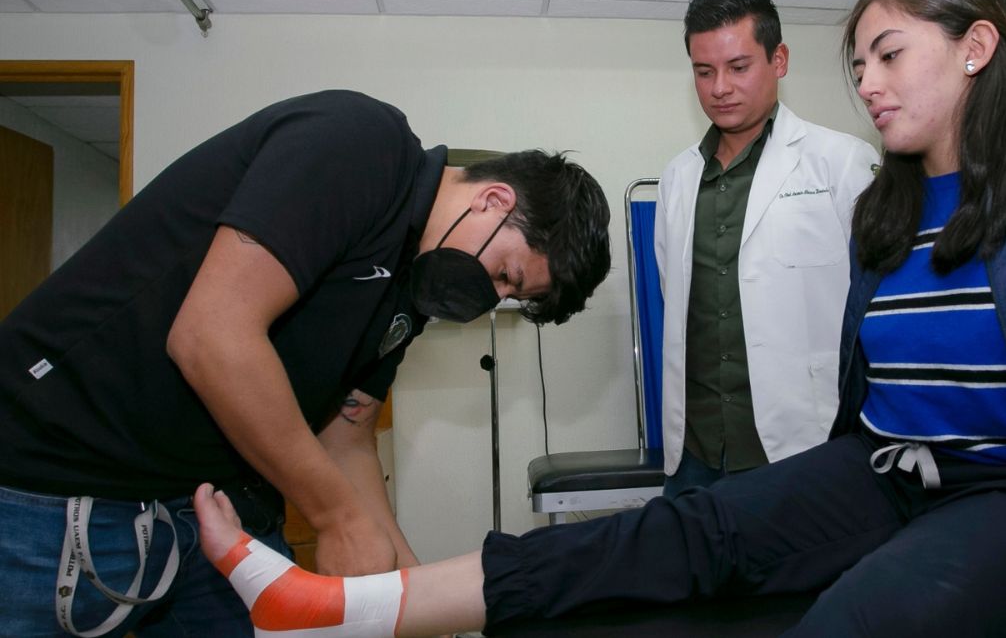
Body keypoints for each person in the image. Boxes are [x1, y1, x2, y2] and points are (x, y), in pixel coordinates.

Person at [194, 0, 1006, 636]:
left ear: (977, 47)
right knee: (659, 541)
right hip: (882, 467)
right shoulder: (888, 207)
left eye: (889, 55)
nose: (871, 82)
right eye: (862, 64)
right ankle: (342, 602)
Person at [0, 89, 611, 637]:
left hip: (207, 505)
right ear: (494, 200)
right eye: (506, 275)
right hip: (54, 487)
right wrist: (336, 519)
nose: (492, 297)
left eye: (510, 297)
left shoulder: (412, 282)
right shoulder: (358, 144)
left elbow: (346, 435)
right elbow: (212, 336)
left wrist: (411, 591)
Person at [657, 0, 879, 496]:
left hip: (803, 444)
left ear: (778, 60)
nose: (720, 88)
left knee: (805, 577)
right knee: (691, 575)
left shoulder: (842, 162)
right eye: (704, 71)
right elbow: (676, 293)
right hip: (695, 451)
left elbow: (877, 306)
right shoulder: (677, 177)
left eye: (739, 66)